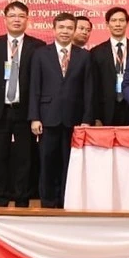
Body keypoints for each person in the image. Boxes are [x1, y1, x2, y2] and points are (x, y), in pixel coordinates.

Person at [28, 13, 95, 208]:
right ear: (54, 29)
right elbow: (34, 87)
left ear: (74, 30)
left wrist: (87, 119)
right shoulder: (41, 54)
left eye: (69, 28)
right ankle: (48, 202)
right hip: (47, 118)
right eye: (61, 27)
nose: (65, 31)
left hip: (74, 119)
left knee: (70, 164)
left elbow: (88, 90)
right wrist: (34, 117)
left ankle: (67, 201)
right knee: (48, 162)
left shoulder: (84, 56)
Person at [0, 1, 45, 208]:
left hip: (25, 111)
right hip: (0, 111)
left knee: (24, 159)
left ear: (28, 20)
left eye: (21, 16)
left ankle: (22, 200)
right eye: (13, 16)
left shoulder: (38, 46)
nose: (17, 19)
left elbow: (39, 83)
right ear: (5, 19)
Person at [91, 7, 129, 126]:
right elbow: (93, 87)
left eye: (121, 20)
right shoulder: (96, 52)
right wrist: (96, 117)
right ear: (107, 24)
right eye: (114, 20)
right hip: (106, 110)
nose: (118, 24)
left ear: (127, 23)